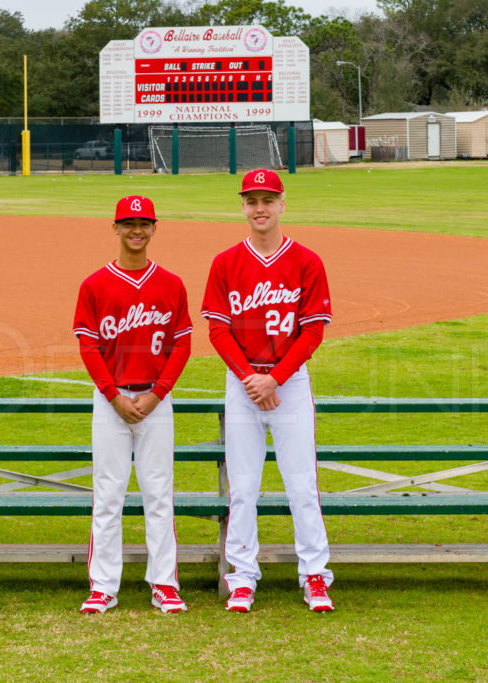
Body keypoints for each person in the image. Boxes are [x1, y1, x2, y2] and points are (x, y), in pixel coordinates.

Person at [201, 169, 335, 613]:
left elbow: (312, 332)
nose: (260, 208)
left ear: (282, 204)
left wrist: (274, 378)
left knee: (302, 485)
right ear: (242, 206)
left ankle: (314, 576)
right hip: (243, 385)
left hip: (289, 385)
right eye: (252, 200)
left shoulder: (308, 261)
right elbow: (218, 332)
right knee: (243, 487)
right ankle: (242, 577)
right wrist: (251, 380)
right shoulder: (225, 263)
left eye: (268, 199)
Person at [72, 195, 192, 614]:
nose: (136, 230)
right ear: (116, 228)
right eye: (128, 223)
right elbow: (88, 348)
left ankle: (164, 583)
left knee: (159, 494)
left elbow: (182, 345)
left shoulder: (171, 284)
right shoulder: (94, 285)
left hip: (156, 402)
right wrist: (113, 395)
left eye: (144, 223)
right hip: (112, 402)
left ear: (154, 228)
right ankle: (103, 586)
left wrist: (157, 393)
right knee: (109, 495)